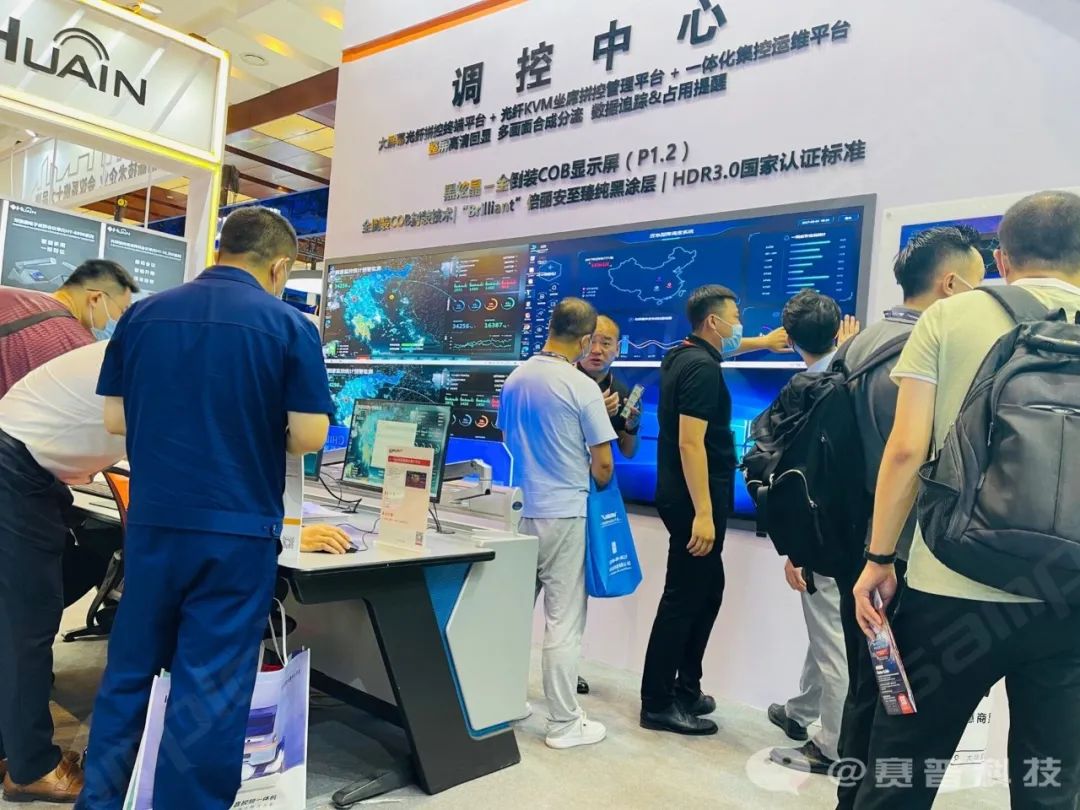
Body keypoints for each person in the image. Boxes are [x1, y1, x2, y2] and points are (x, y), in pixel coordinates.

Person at [77, 206, 333, 810]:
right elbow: (310, 434)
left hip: (153, 524)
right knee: (211, 685)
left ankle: (102, 799)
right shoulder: (289, 326)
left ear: (222, 250)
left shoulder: (142, 315)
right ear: (279, 267)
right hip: (236, 530)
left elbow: (114, 419)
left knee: (130, 667)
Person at [852, 190, 1080, 809]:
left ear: (1001, 258)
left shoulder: (950, 317)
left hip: (950, 578)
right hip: (1066, 591)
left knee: (903, 768)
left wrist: (878, 558)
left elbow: (905, 450)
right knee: (1051, 781)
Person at [833, 225, 984, 808]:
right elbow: (910, 454)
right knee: (899, 702)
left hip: (855, 542)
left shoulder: (857, 345)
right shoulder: (933, 349)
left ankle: (849, 797)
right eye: (975, 282)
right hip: (904, 555)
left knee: (866, 686)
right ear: (950, 284)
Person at [0, 259, 137, 804]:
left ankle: (12, 748)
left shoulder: (136, 348)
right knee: (27, 624)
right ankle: (31, 767)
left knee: (16, 618)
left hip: (24, 465)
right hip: (16, 471)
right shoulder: (71, 335)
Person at [498, 297, 616, 750]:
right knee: (563, 622)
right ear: (585, 341)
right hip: (566, 512)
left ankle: (503, 701)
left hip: (521, 509)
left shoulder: (515, 378)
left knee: (511, 615)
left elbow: (508, 438)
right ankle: (565, 723)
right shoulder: (582, 386)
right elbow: (603, 466)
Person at [639, 285, 747, 735]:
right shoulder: (701, 368)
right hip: (693, 501)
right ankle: (657, 703)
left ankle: (686, 689)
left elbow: (727, 348)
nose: (740, 326)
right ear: (713, 322)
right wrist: (703, 512)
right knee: (683, 599)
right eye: (735, 318)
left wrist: (763, 343)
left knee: (707, 591)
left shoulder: (684, 354)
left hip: (685, 496)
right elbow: (690, 443)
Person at [765, 290, 856, 775]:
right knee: (830, 629)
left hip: (823, 537)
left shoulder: (802, 392)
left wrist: (795, 548)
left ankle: (833, 746)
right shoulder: (858, 374)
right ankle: (801, 712)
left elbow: (791, 478)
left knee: (833, 641)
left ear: (790, 338)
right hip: (864, 532)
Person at [577, 315, 641, 460]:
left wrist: (632, 428)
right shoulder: (560, 384)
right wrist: (594, 416)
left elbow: (628, 452)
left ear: (617, 349)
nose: (596, 350)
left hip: (600, 468)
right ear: (580, 345)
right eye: (591, 342)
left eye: (605, 343)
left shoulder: (622, 394)